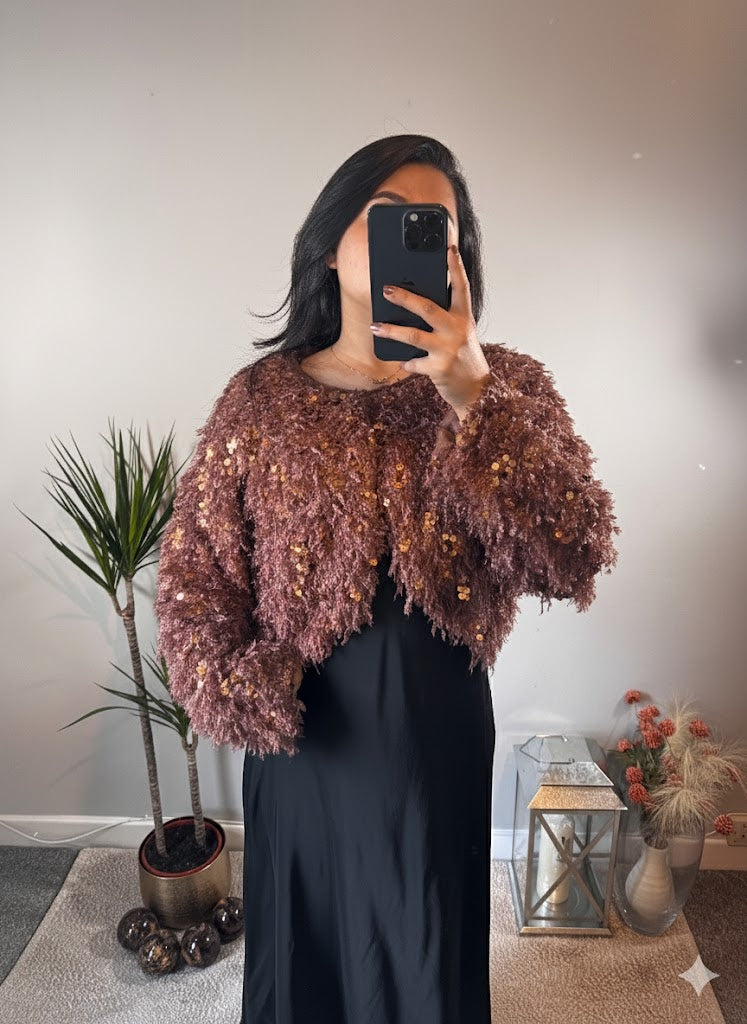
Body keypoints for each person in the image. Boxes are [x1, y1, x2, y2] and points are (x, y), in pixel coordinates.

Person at [154, 134, 619, 1023]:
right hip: (301, 734)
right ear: (329, 245)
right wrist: (246, 690)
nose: (417, 240)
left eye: (436, 227)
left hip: (433, 730)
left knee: (424, 933)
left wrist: (472, 393)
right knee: (310, 947)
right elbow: (195, 578)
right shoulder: (259, 400)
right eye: (389, 219)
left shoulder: (504, 385)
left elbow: (574, 553)